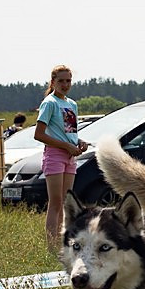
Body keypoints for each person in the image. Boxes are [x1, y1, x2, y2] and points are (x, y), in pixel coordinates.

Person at [34, 65, 89, 251]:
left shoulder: (72, 104)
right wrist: (66, 146)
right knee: (55, 202)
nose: (65, 85)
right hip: (55, 155)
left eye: (68, 81)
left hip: (70, 157)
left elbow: (69, 133)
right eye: (61, 81)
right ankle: (52, 246)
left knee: (67, 203)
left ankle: (64, 244)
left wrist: (79, 142)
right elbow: (39, 134)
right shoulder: (49, 103)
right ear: (53, 82)